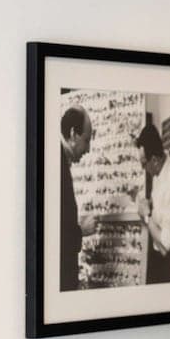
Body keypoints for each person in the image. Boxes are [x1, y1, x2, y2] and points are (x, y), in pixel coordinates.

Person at [135, 122, 170, 284]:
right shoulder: (161, 166)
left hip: (169, 263)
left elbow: (166, 246)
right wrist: (149, 204)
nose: (143, 168)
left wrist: (147, 215)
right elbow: (160, 204)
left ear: (154, 160)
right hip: (157, 249)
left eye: (143, 163)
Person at [60, 105, 97, 291]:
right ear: (73, 134)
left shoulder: (58, 160)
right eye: (86, 140)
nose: (88, 149)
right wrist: (81, 230)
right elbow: (51, 234)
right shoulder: (55, 165)